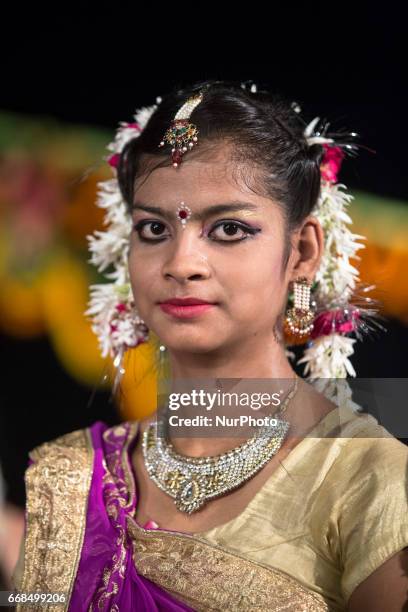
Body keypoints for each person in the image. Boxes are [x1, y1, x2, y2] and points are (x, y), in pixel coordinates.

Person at [13, 81, 408, 611]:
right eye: (153, 228)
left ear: (302, 252)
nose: (181, 263)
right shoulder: (68, 474)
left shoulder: (368, 480)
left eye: (227, 229)